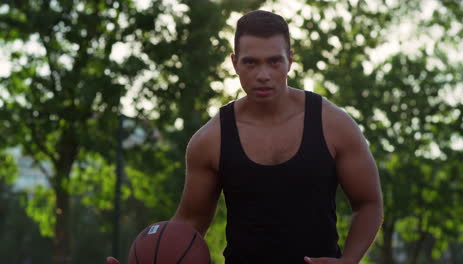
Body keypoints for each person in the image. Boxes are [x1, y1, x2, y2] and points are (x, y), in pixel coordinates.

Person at [107, 10, 383, 264]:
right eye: (251, 63)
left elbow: (368, 203)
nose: (263, 74)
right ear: (235, 63)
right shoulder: (210, 140)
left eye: (274, 61)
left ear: (290, 59)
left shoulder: (333, 124)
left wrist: (348, 262)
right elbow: (189, 224)